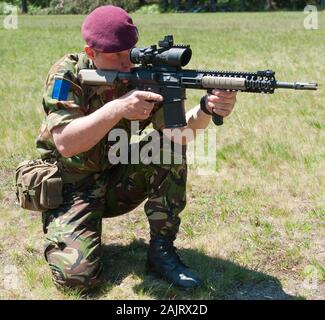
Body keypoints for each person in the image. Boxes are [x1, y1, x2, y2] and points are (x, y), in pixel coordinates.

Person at [36, 5, 237, 292]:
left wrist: (206, 108)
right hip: (70, 187)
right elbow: (66, 143)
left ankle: (161, 251)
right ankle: (68, 231)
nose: (126, 64)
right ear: (91, 52)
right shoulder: (67, 74)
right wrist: (118, 108)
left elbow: (177, 136)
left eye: (129, 53)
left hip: (116, 177)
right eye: (116, 57)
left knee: (166, 149)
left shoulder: (143, 75)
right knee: (77, 281)